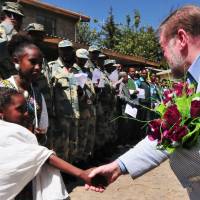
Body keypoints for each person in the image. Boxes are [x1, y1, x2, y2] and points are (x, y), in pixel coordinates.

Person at [86, 5, 200, 199]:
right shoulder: (190, 84)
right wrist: (118, 167)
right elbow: (168, 135)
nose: (164, 55)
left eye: (163, 47)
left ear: (181, 39)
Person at [0, 87, 92, 199]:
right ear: (1, 112)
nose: (26, 114)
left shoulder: (19, 129)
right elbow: (42, 156)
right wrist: (82, 173)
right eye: (20, 109)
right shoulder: (6, 133)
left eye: (26, 108)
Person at [0, 33, 48, 143]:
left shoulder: (38, 95)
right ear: (16, 61)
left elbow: (43, 127)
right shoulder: (2, 88)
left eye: (40, 64)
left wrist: (39, 135)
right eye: (33, 62)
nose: (38, 67)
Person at [48, 40, 78, 162]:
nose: (66, 52)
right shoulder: (51, 67)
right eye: (63, 49)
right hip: (60, 114)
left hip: (75, 113)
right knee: (60, 143)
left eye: (68, 49)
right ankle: (60, 171)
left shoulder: (75, 70)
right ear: (59, 50)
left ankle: (69, 167)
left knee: (72, 142)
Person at [71, 48, 96, 162]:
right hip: (80, 107)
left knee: (88, 135)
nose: (82, 61)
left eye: (84, 59)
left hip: (90, 107)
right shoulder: (73, 70)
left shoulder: (88, 71)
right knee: (80, 136)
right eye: (80, 59)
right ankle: (77, 161)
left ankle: (85, 158)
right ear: (76, 57)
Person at [0, 1, 24, 79]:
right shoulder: (6, 30)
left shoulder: (16, 35)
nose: (21, 22)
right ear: (12, 17)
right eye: (19, 18)